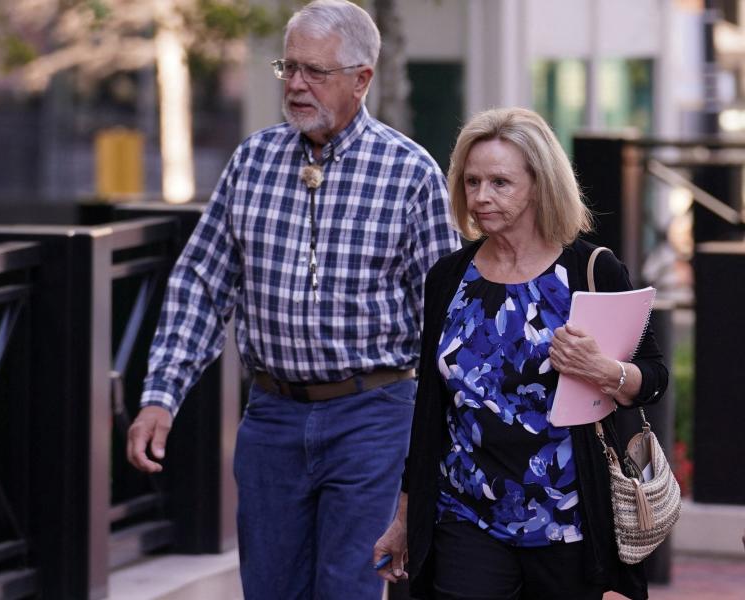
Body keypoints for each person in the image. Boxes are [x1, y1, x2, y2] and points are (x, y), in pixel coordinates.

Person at [125, 0, 460, 597]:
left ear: (362, 79)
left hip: (373, 417)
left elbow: (446, 322)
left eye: (316, 71)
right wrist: (160, 396)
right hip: (271, 417)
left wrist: (444, 441)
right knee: (270, 589)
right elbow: (202, 283)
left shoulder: (411, 174)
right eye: (290, 68)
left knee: (348, 589)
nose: (298, 85)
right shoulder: (252, 162)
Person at [373, 107, 668, 599]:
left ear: (539, 183)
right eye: (472, 182)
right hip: (465, 516)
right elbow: (429, 410)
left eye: (500, 183)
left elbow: (654, 376)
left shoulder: (590, 271)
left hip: (567, 523)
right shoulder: (449, 279)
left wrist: (605, 370)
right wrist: (404, 517)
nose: (482, 197)